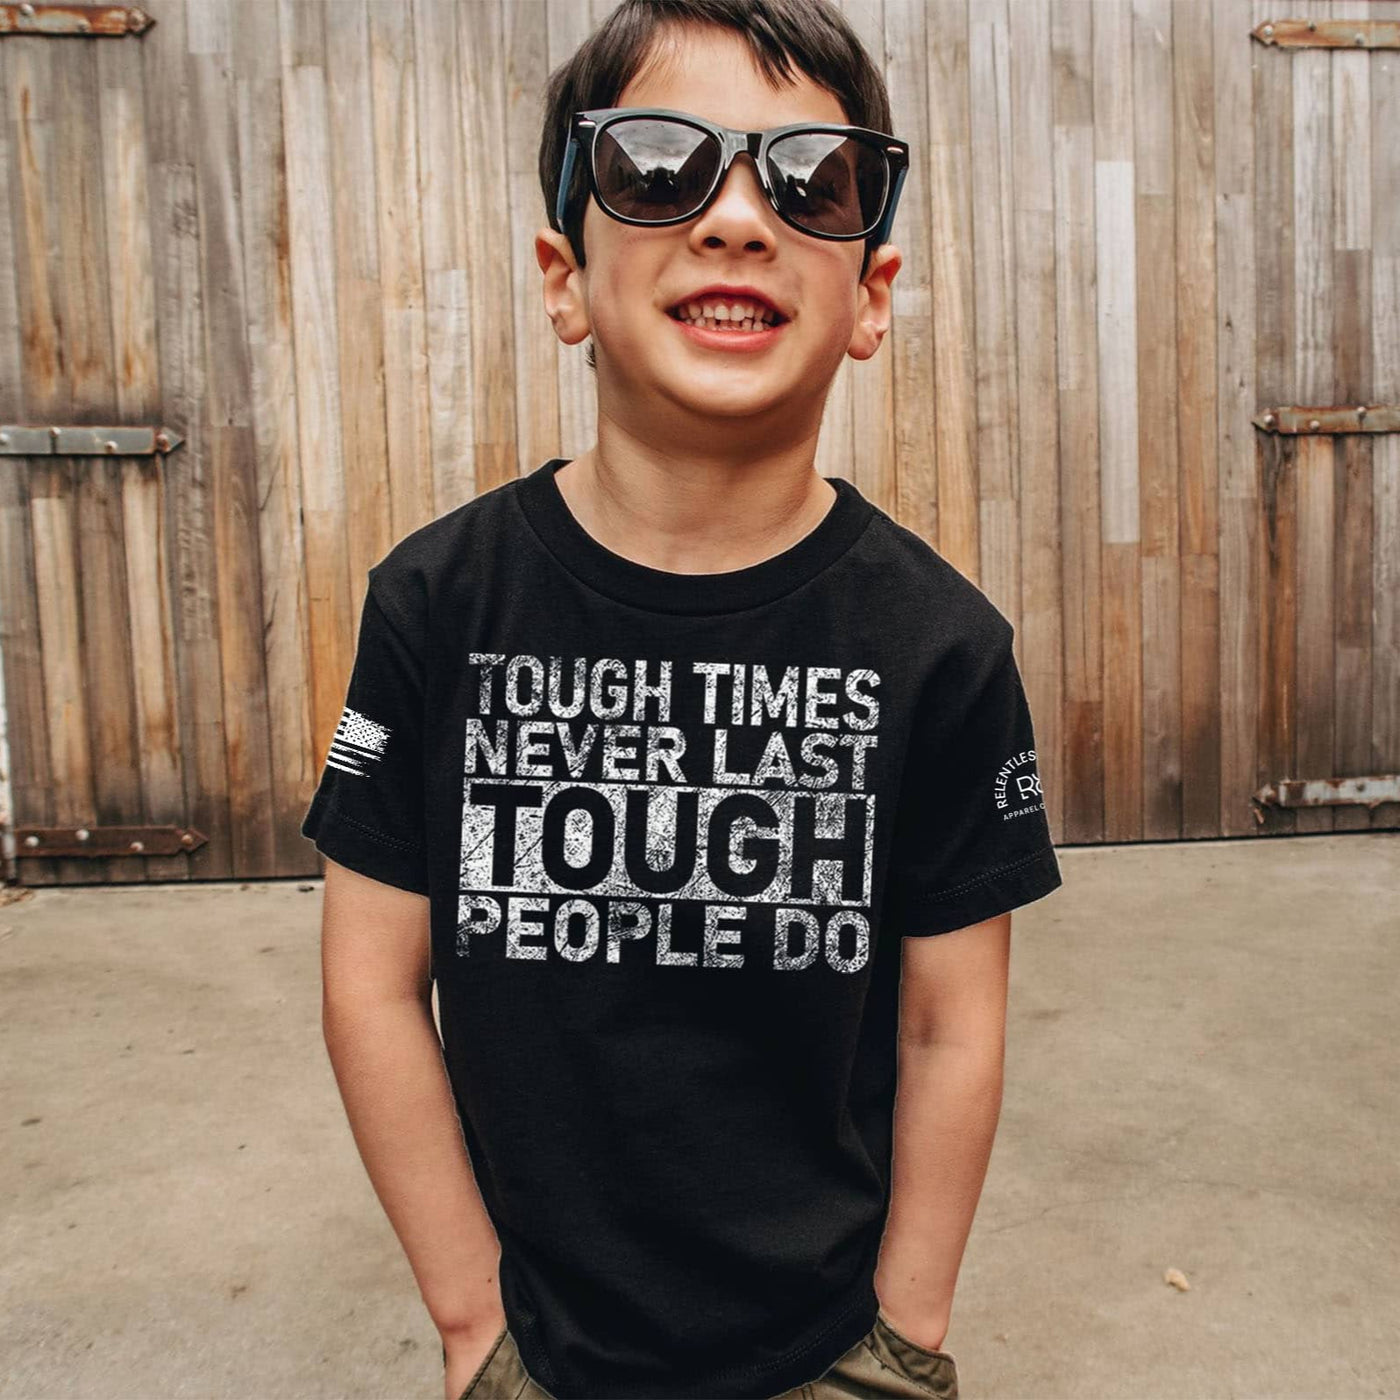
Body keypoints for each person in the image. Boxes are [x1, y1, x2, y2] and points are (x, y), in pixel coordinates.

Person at [302, 2, 1063, 1397]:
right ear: (563, 277)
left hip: (829, 1345)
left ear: (871, 294)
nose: (732, 219)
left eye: (806, 182)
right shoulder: (438, 605)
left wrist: (904, 1335)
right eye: (658, 169)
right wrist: (476, 1327)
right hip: (543, 1345)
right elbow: (370, 983)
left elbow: (952, 1023)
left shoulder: (938, 646)